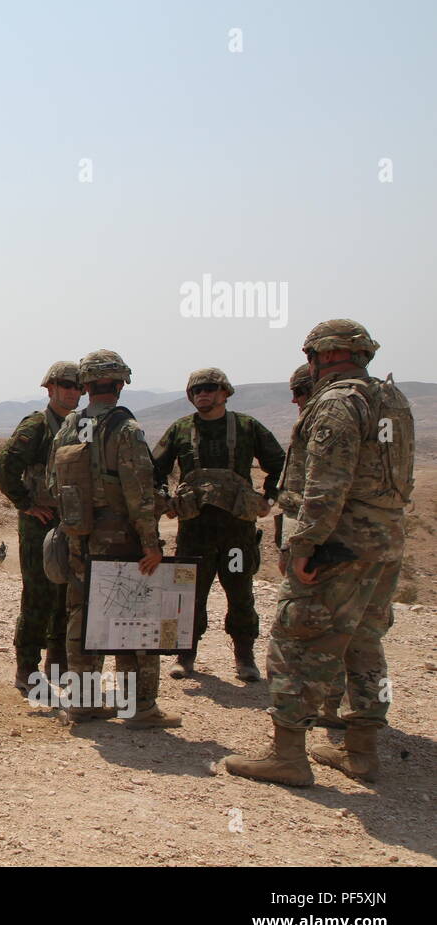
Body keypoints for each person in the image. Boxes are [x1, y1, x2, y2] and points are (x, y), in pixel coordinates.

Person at [226, 320, 413, 786]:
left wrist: (304, 544)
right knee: (364, 642)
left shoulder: (336, 403)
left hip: (338, 546)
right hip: (384, 544)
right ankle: (362, 752)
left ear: (321, 355)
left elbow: (326, 486)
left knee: (295, 641)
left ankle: (288, 755)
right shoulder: (392, 399)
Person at [47, 350, 181, 728]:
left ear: (86, 385)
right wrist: (151, 544)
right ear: (121, 384)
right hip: (120, 537)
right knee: (134, 618)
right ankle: (139, 708)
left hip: (78, 534)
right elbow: (138, 493)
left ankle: (84, 702)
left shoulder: (69, 426)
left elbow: (52, 482)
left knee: (82, 615)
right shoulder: (125, 429)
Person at [152, 368, 285, 681]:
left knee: (240, 591)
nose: (203, 394)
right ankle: (184, 656)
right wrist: (166, 500)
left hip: (236, 529)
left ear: (225, 392)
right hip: (195, 529)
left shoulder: (246, 427)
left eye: (210, 388)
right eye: (197, 390)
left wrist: (268, 498)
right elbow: (155, 468)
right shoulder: (181, 429)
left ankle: (244, 656)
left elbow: (280, 464)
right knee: (186, 593)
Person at [0, 362, 83, 691]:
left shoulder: (82, 425)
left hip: (72, 523)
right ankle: (27, 669)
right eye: (65, 385)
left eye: (77, 386)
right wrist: (26, 503)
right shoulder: (37, 426)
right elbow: (4, 467)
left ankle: (58, 664)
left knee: (68, 594)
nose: (72, 391)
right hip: (40, 526)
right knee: (38, 596)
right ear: (50, 388)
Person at [281, 363, 346, 729]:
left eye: (301, 391)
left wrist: (299, 546)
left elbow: (321, 491)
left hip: (327, 546)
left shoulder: (331, 414)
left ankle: (290, 741)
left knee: (299, 632)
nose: (296, 400)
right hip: (369, 546)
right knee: (355, 633)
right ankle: (356, 734)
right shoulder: (383, 405)